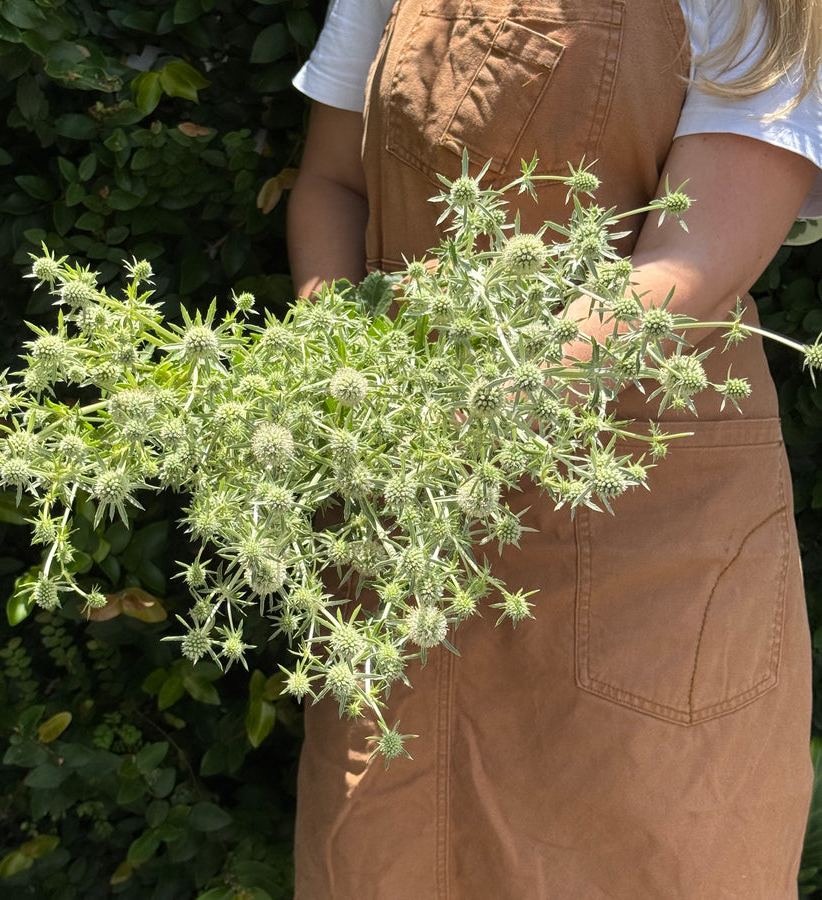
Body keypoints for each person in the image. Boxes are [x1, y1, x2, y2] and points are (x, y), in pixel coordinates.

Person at [285, 1, 822, 896]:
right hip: (401, 517)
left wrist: (466, 408)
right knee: (383, 857)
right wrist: (336, 360)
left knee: (645, 852)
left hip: (641, 527)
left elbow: (694, 262)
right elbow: (333, 182)